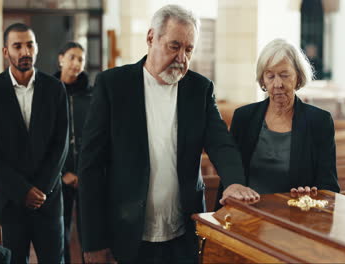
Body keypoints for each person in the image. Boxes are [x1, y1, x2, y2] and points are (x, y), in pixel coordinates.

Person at [78, 5, 259, 264]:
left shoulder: (199, 89)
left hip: (183, 231)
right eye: (174, 46)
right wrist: (94, 242)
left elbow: (221, 142)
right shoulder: (113, 86)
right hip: (127, 233)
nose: (182, 58)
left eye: (189, 49)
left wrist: (233, 181)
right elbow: (90, 167)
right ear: (151, 38)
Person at [0, 23, 68, 263]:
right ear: (5, 52)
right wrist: (23, 191)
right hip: (8, 201)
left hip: (48, 199)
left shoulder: (56, 89)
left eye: (30, 45)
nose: (25, 51)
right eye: (17, 46)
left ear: (37, 48)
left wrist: (40, 190)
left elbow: (60, 144)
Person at [230, 38, 340, 196]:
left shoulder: (320, 122)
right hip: (248, 213)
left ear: (298, 78)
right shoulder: (244, 117)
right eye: (270, 76)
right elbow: (232, 176)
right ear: (262, 80)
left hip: (295, 215)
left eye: (284, 75)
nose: (277, 84)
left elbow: (329, 186)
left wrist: (312, 194)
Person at [54, 41, 91, 264]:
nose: (76, 63)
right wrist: (63, 173)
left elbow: (96, 139)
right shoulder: (49, 92)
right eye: (72, 57)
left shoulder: (91, 95)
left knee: (90, 232)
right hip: (59, 177)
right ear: (61, 59)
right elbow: (46, 140)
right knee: (61, 231)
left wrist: (83, 172)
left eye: (81, 59)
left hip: (86, 176)